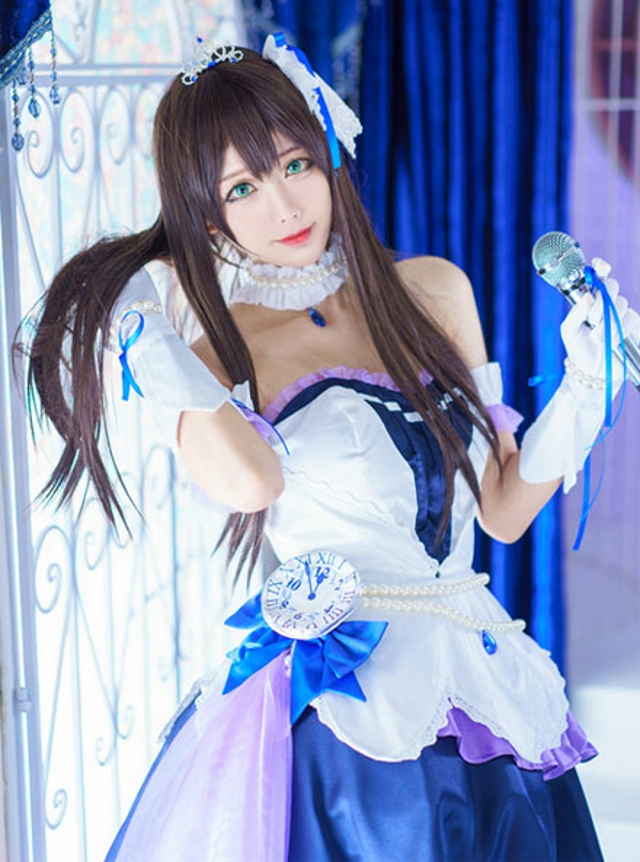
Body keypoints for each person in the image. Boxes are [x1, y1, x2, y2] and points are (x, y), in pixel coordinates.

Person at [24, 31, 635, 862]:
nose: (283, 206)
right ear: (206, 213)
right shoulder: (220, 351)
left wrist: (588, 385)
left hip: (487, 691)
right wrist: (155, 350)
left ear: (329, 150)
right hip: (351, 725)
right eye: (242, 187)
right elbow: (251, 485)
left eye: (295, 164)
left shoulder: (434, 290)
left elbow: (501, 509)